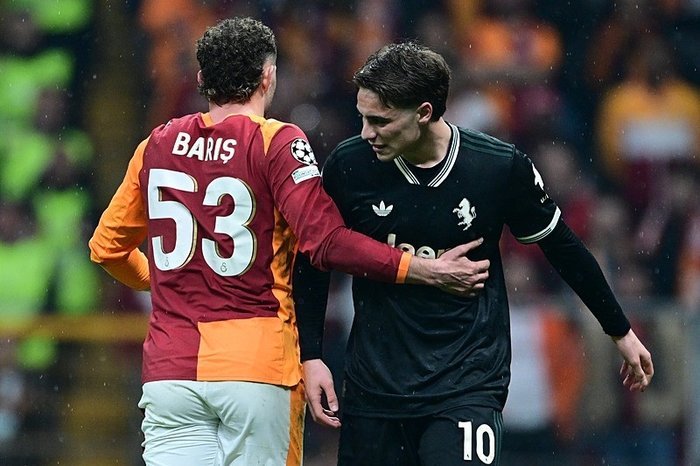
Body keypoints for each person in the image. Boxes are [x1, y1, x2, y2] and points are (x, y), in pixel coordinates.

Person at [88, 18, 489, 466]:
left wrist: (166, 280)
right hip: (254, 369)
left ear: (201, 79)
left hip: (170, 374)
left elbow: (106, 249)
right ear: (268, 77)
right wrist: (421, 269)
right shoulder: (276, 142)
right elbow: (326, 242)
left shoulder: (157, 145)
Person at [294, 41, 654, 466]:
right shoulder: (350, 164)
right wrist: (312, 355)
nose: (366, 133)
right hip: (376, 388)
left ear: (424, 112)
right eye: (362, 117)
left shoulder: (496, 167)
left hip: (466, 383)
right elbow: (314, 258)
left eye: (380, 121)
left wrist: (620, 330)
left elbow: (562, 247)